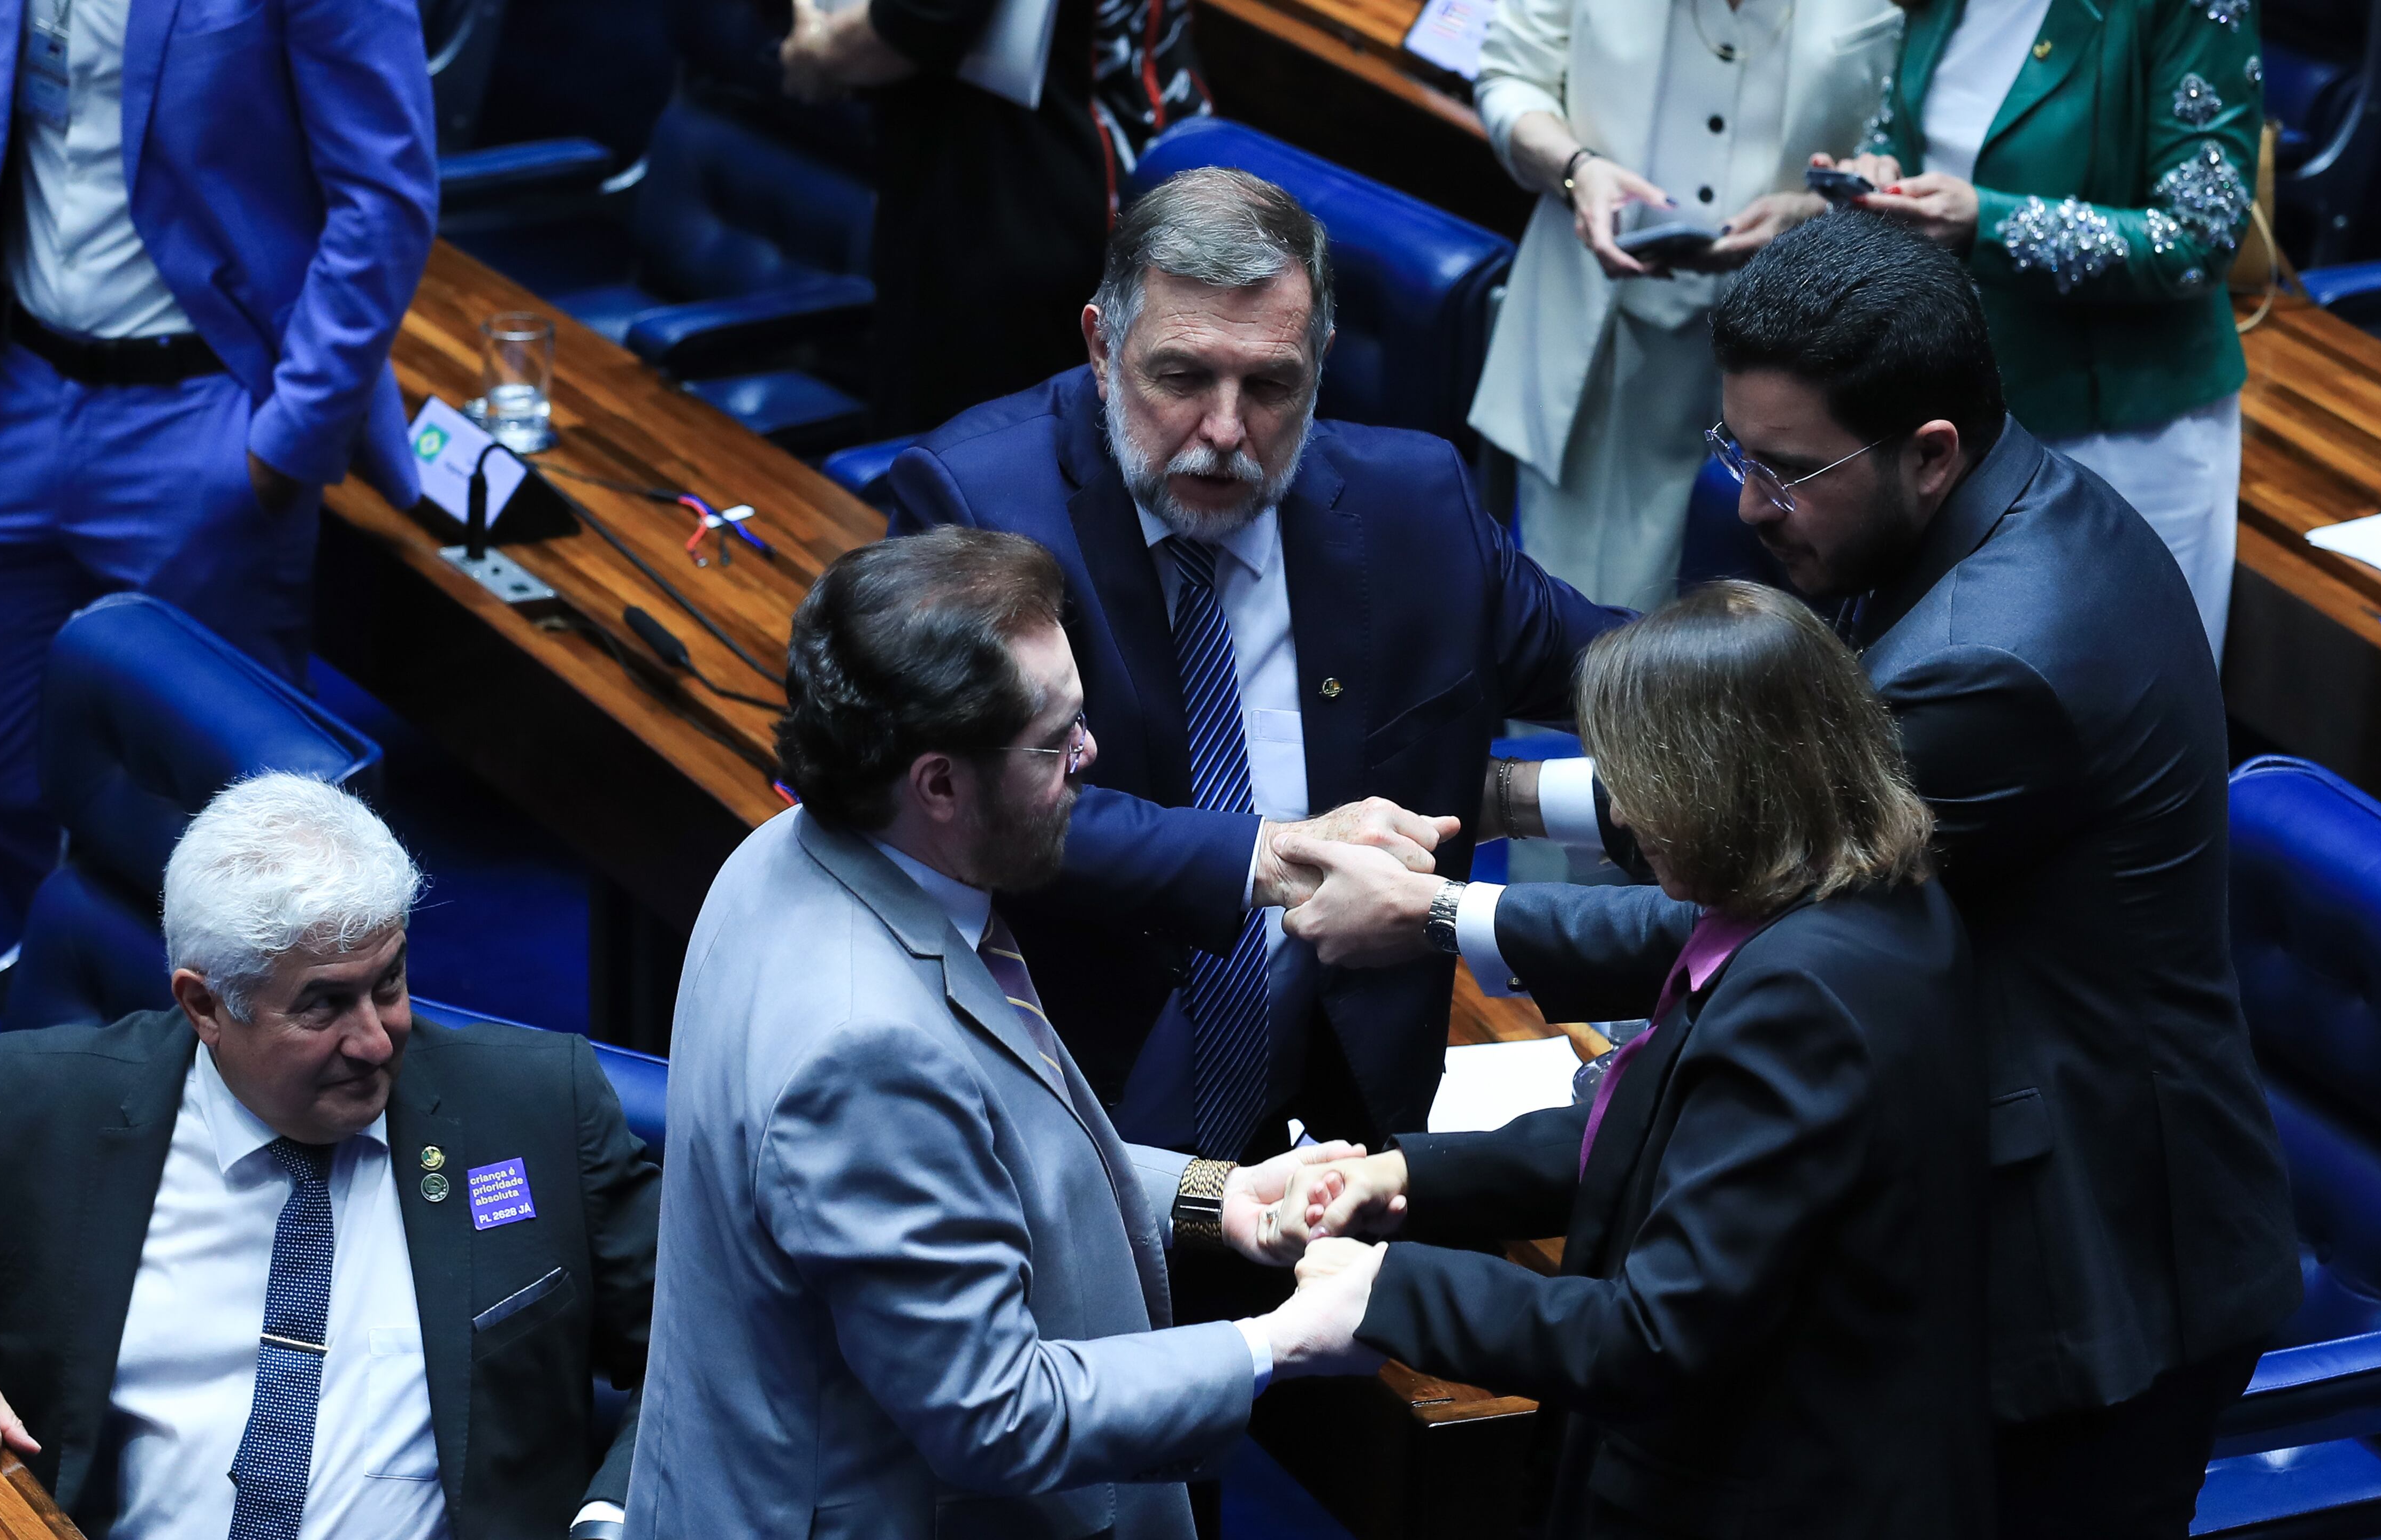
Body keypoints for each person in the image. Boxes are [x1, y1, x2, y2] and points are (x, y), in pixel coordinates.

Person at [1299, 211, 2302, 1540]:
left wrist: (1441, 914)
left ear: (1927, 451)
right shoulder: (1933, 515)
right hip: (1958, 1159)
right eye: (1734, 454)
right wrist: (1483, 794)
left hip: (2084, 1266)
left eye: (1783, 470)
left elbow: (1744, 867)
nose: (1747, 504)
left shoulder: (1993, 660)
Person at [625, 528, 1379, 1540]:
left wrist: (1216, 1195)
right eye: (1055, 737)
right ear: (938, 782)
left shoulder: (793, 851)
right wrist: (1278, 1339)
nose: (1090, 753)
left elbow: (997, 1155)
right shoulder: (864, 1047)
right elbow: (995, 1412)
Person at [887, 167, 1634, 1164]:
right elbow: (969, 796)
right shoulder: (980, 498)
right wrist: (1263, 855)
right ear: (1104, 347)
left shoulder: (1414, 506)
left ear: (1320, 361)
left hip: (1352, 1113)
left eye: (1272, 384)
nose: (1227, 431)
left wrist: (1832, 689)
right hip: (1073, 1100)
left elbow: (1624, 675)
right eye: (1184, 376)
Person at [1268, 579, 1989, 1538]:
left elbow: (1656, 1335)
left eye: (1641, 781)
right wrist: (1406, 1172)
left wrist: (1385, 1288)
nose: (1628, 818)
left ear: (1722, 788)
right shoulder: (1858, 898)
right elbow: (1658, 1123)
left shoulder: (1803, 996)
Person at [0, 773, 659, 1540]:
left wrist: (614, 1516)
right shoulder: (29, 1104)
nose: (375, 1040)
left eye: (390, 980)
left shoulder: (537, 1109)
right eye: (323, 1003)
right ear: (205, 1005)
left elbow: (700, 1335)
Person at [0, 0, 437, 976]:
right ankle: (54, 1033)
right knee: (2, 773)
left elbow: (384, 197)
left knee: (231, 826)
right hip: (11, 388)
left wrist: (288, 439)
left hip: (198, 419)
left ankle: (218, 1082)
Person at [1822, 0, 2261, 657]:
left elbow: (2198, 238)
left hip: (2126, 431)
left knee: (2117, 692)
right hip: (1959, 412)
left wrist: (1987, 223)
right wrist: (1880, 170)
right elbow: (1911, 134)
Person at [1464, 0, 1901, 609]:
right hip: (1599, 327)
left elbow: (1901, 144)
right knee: (1564, 610)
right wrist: (1576, 169)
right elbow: (1510, 78)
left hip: (1797, 352)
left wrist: (1814, 209)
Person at [774, 0, 1209, 433]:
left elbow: (919, 22)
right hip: (1144, 161)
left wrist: (820, 49)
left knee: (965, 468)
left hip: (1019, 196)